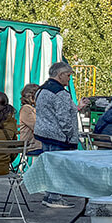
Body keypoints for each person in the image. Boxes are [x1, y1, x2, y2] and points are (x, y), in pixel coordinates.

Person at [33, 62, 79, 210]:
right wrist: (69, 134)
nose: (69, 79)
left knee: (50, 166)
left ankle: (49, 195)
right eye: (68, 75)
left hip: (44, 133)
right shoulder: (60, 93)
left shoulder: (41, 90)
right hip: (59, 137)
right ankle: (54, 197)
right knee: (58, 168)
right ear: (60, 75)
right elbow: (64, 117)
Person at [18, 83, 40, 149]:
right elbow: (37, 127)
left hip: (39, 145)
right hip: (31, 146)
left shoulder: (35, 108)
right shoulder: (26, 109)